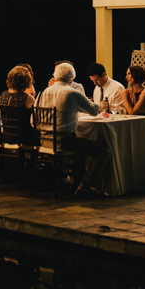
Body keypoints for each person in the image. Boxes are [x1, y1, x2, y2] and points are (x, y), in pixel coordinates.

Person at [38, 62, 110, 196]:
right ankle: (85, 186)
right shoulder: (72, 93)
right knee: (103, 151)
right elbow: (94, 110)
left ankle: (75, 181)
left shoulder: (44, 92)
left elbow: (33, 121)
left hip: (44, 141)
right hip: (63, 141)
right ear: (72, 79)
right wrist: (101, 105)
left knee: (80, 144)